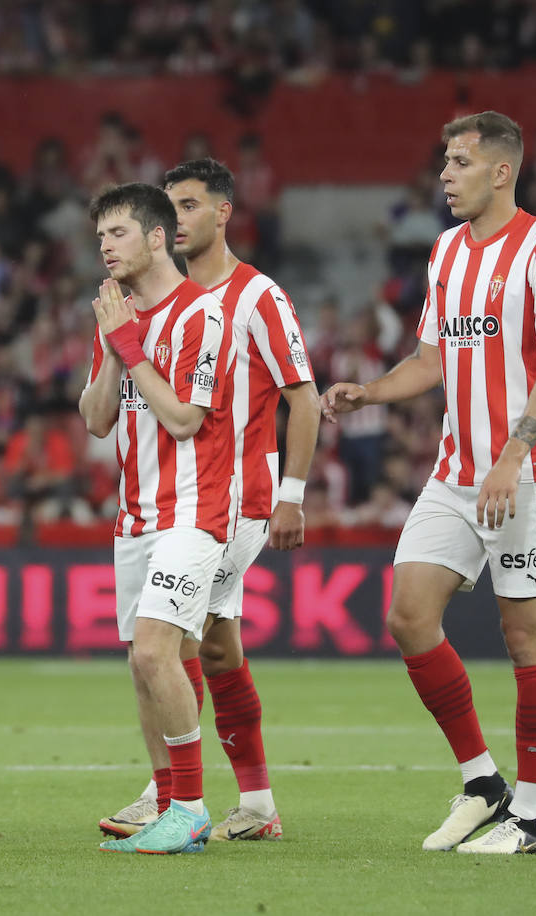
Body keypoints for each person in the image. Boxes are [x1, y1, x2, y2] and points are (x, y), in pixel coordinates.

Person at [322, 111, 536, 855]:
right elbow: (433, 358)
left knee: (526, 636)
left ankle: (526, 820)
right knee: (408, 615)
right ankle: (482, 783)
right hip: (457, 471)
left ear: (501, 171)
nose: (444, 175)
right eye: (444, 161)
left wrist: (512, 454)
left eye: (460, 162)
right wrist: (368, 393)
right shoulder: (443, 252)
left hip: (526, 471)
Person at [98, 158, 321, 843]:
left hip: (235, 497)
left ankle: (175, 794)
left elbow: (302, 398)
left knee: (170, 642)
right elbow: (103, 411)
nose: (178, 219)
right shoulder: (151, 299)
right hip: (169, 495)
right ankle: (247, 803)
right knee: (212, 647)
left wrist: (292, 494)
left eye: (189, 205)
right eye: (169, 207)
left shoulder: (254, 298)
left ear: (221, 213)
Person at [79, 183, 234, 855]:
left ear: (153, 237)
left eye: (116, 234)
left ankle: (193, 807)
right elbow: (95, 419)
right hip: (134, 516)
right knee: (144, 671)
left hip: (194, 512)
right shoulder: (116, 316)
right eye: (99, 237)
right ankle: (170, 808)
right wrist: (115, 348)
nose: (105, 247)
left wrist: (131, 345)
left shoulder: (204, 314)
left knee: (154, 651)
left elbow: (182, 420)